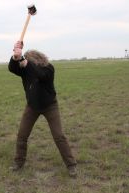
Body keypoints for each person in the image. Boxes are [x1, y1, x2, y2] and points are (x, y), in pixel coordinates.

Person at [8, 41, 77, 177]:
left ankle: (71, 165)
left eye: (28, 60)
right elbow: (12, 68)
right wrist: (15, 57)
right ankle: (18, 163)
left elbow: (39, 74)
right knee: (22, 136)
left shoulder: (48, 69)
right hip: (32, 106)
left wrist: (23, 60)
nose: (25, 63)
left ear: (36, 60)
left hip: (50, 106)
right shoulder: (25, 69)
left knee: (59, 136)